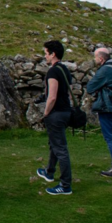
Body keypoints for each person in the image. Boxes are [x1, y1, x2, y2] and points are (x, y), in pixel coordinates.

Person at [36, 40, 74, 195]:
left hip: (56, 113)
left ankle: (65, 185)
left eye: (46, 53)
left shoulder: (53, 72)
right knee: (55, 144)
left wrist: (46, 113)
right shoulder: (65, 70)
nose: (45, 56)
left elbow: (52, 96)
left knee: (60, 148)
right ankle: (49, 172)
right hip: (66, 112)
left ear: (53, 54)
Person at [87, 48, 112, 178]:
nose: (94, 60)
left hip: (108, 106)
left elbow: (90, 87)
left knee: (110, 136)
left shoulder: (105, 69)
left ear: (101, 58)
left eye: (95, 57)